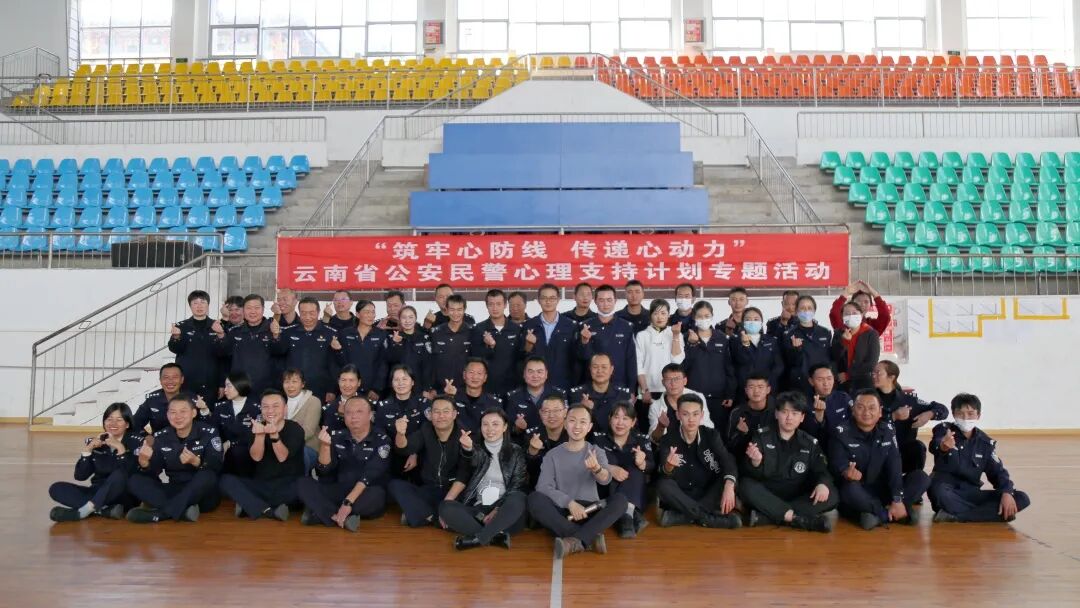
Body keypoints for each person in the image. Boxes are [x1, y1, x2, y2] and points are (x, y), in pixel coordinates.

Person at [528, 404, 628, 557]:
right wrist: (569, 503)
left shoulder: (596, 451)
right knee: (534, 498)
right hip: (563, 511)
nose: (577, 426)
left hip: (590, 510)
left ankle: (575, 540)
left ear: (589, 427)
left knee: (620, 500)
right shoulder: (552, 455)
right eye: (572, 421)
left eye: (583, 422)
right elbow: (543, 486)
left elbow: (606, 480)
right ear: (565, 423)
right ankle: (587, 539)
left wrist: (597, 469)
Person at [829, 389, 929, 530]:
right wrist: (846, 472)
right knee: (849, 490)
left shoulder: (887, 430)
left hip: (882, 487)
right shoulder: (840, 432)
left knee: (921, 478)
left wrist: (897, 499)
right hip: (859, 490)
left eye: (872, 408)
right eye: (860, 407)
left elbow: (895, 465)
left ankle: (880, 514)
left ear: (880, 412)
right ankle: (890, 514)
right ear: (853, 410)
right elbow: (836, 464)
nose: (866, 412)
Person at [739, 392, 838, 532]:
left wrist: (822, 484)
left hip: (796, 495)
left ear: (802, 418)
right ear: (776, 414)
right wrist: (756, 462)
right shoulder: (762, 436)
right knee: (745, 486)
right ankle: (796, 518)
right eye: (784, 412)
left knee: (832, 494)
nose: (789, 417)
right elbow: (749, 472)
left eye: (795, 413)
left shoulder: (809, 442)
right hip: (768, 492)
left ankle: (769, 517)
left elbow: (821, 469)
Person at [929, 393, 1031, 523]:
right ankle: (985, 514)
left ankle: (957, 516)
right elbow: (935, 445)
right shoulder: (943, 430)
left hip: (971, 493)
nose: (965, 418)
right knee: (939, 492)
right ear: (954, 414)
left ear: (978, 415)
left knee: (1021, 498)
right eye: (960, 414)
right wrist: (943, 446)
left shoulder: (985, 443)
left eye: (970, 414)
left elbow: (998, 472)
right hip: (947, 491)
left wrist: (1007, 492)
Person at [440, 408, 529, 550]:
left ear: (505, 427)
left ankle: (478, 539)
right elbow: (470, 462)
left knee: (519, 497)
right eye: (485, 424)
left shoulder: (516, 451)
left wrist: (498, 509)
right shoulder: (475, 449)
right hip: (479, 511)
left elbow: (517, 485)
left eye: (495, 424)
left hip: (505, 511)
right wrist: (467, 450)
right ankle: (494, 537)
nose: (490, 429)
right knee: (445, 507)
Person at [126, 395, 224, 523]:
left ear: (194, 413)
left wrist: (196, 462)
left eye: (183, 411)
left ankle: (162, 514)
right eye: (173, 412)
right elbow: (155, 471)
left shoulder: (208, 432)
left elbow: (216, 466)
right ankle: (182, 511)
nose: (178, 416)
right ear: (167, 415)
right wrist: (144, 462)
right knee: (135, 480)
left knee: (207, 476)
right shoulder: (161, 436)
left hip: (201, 493)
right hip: (174, 489)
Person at [297, 397, 389, 531]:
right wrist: (325, 446)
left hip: (364, 491)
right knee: (302, 483)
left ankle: (324, 514)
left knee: (377, 496)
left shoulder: (382, 439)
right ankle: (339, 517)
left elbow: (370, 475)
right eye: (349, 412)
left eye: (359, 412)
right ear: (343, 416)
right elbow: (324, 470)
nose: (353, 416)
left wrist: (348, 502)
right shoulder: (336, 436)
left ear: (370, 415)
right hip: (340, 488)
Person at [655, 394, 740, 528]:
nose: (691, 419)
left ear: (702, 415)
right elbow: (664, 472)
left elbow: (727, 460)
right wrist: (669, 466)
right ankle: (709, 519)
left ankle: (683, 517)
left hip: (708, 492)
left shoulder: (711, 435)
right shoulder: (668, 439)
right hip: (682, 495)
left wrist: (729, 485)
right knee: (662, 485)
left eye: (695, 414)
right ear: (678, 415)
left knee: (728, 479)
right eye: (686, 414)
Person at [219, 389, 305, 521]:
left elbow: (282, 457)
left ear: (285, 409)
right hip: (262, 485)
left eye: (275, 406)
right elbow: (256, 457)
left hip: (287, 485)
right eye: (265, 407)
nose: (270, 411)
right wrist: (259, 436)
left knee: (304, 486)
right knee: (225, 480)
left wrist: (274, 436)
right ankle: (268, 510)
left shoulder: (295, 428)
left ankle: (250, 505)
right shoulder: (256, 427)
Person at [48, 403, 144, 522]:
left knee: (120, 474)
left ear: (127, 424)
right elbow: (80, 476)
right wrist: (88, 450)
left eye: (119, 420)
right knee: (56, 488)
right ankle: (104, 510)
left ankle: (83, 512)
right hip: (97, 492)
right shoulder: (98, 442)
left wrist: (120, 448)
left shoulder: (137, 442)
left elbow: (130, 473)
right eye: (109, 419)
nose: (113, 423)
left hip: (124, 495)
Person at [389, 396, 464, 527]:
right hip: (430, 489)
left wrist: (448, 502)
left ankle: (421, 515)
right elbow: (404, 448)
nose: (441, 416)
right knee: (395, 485)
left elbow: (465, 474)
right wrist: (400, 434)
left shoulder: (464, 434)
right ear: (430, 414)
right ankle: (434, 517)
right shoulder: (426, 429)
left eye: (446, 411)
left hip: (454, 491)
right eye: (436, 411)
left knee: (461, 506)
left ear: (454, 414)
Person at [873, 360, 948, 474]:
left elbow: (943, 410)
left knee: (918, 447)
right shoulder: (869, 399)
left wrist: (929, 414)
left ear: (891, 377)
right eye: (873, 373)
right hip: (876, 450)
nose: (874, 375)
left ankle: (912, 479)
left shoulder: (908, 400)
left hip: (902, 451)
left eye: (878, 373)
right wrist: (893, 416)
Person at [592, 402, 654, 538]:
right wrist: (609, 468)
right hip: (606, 488)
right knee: (615, 464)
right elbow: (591, 463)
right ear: (610, 419)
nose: (620, 422)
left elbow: (652, 467)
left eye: (625, 418)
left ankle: (626, 515)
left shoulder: (641, 440)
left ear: (633, 422)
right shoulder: (599, 438)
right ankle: (631, 514)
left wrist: (642, 463)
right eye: (616, 417)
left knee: (636, 469)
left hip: (633, 491)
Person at [272, 297, 345, 402]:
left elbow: (334, 365)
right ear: (299, 312)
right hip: (293, 389)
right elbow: (277, 353)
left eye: (312, 313)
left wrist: (332, 389)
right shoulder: (288, 332)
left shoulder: (330, 333)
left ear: (318, 312)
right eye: (303, 313)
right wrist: (276, 336)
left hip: (321, 390)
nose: (307, 317)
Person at [683, 301, 737, 432]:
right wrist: (692, 345)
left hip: (719, 398)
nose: (703, 319)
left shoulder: (722, 338)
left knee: (718, 433)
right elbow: (683, 367)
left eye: (707, 316)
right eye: (700, 316)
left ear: (712, 316)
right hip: (694, 396)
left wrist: (730, 394)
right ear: (694, 317)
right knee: (696, 432)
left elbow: (729, 368)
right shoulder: (685, 337)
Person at [214, 293, 277, 395]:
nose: (253, 311)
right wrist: (221, 335)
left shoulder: (272, 329)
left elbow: (281, 350)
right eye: (249, 308)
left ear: (263, 309)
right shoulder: (234, 332)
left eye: (257, 308)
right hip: (239, 389)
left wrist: (276, 335)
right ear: (244, 310)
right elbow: (222, 353)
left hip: (266, 390)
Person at [375, 365, 430, 478]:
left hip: (419, 456)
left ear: (412, 382)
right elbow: (380, 433)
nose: (400, 383)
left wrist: (414, 453)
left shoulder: (423, 403)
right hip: (392, 456)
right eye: (396, 380)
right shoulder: (383, 406)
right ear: (391, 383)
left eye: (404, 379)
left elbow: (426, 432)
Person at [578, 284, 637, 390]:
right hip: (592, 386)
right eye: (601, 300)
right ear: (595, 301)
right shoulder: (585, 326)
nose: (605, 304)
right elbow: (582, 358)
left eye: (609, 300)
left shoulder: (626, 327)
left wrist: (631, 389)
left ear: (615, 301)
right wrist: (584, 341)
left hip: (619, 385)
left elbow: (631, 360)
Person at [521, 284, 580, 391]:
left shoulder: (570, 326)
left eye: (552, 298)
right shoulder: (529, 325)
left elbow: (575, 357)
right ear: (539, 300)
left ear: (558, 300)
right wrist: (528, 345)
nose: (548, 302)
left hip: (562, 383)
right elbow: (522, 356)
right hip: (535, 384)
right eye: (544, 298)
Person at [168, 290, 222, 406]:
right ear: (190, 306)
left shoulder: (217, 326)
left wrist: (222, 383)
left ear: (208, 305)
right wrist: (176, 337)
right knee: (186, 411)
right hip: (187, 381)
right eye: (195, 303)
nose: (199, 306)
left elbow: (224, 354)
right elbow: (175, 349)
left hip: (211, 382)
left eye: (202, 302)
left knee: (209, 413)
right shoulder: (181, 326)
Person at [469, 289, 523, 397]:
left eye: (498, 304)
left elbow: (521, 358)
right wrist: (490, 347)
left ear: (505, 305)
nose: (495, 308)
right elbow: (475, 358)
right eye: (491, 304)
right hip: (486, 389)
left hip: (512, 388)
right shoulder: (478, 329)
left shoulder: (516, 329)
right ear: (486, 306)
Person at [206, 372, 261, 476]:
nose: (225, 390)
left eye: (229, 386)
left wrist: (231, 443)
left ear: (239, 385)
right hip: (224, 452)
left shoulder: (256, 408)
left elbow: (254, 436)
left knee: (238, 452)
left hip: (248, 454)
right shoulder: (220, 407)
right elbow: (213, 431)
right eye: (225, 386)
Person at [635, 299, 684, 407]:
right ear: (650, 315)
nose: (659, 317)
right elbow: (638, 365)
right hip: (648, 390)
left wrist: (675, 335)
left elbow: (677, 361)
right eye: (655, 313)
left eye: (663, 313)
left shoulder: (676, 333)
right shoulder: (642, 335)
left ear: (668, 315)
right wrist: (644, 389)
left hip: (671, 389)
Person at [781, 295, 833, 398]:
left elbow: (829, 357)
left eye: (809, 308)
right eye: (802, 308)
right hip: (801, 383)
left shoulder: (825, 332)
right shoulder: (789, 334)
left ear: (814, 311)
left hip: (821, 383)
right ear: (796, 311)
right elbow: (789, 362)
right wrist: (796, 350)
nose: (806, 311)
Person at [569, 353, 633, 435]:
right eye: (595, 367)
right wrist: (582, 408)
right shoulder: (577, 394)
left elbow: (630, 426)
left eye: (604, 367)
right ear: (590, 369)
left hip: (614, 439)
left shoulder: (623, 395)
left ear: (611, 369)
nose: (599, 371)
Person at [338, 299, 389, 401]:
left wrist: (377, 388)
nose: (371, 315)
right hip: (349, 388)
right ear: (357, 314)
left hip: (372, 391)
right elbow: (340, 362)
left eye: (373, 312)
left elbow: (383, 364)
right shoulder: (345, 334)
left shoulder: (381, 335)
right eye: (367, 312)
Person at [648, 363, 712, 442]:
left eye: (677, 379)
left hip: (697, 445)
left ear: (685, 381)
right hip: (669, 447)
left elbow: (708, 426)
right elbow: (654, 439)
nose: (673, 383)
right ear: (663, 382)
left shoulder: (698, 397)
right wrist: (660, 427)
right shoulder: (655, 406)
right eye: (668, 379)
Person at [504, 356, 565, 438]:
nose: (535, 376)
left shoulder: (559, 394)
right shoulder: (513, 397)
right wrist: (517, 427)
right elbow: (507, 429)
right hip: (521, 442)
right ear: (524, 374)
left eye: (539, 372)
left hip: (552, 442)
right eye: (531, 372)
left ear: (546, 374)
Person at [731, 306, 785, 395]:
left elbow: (779, 365)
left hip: (768, 388)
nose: (752, 322)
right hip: (745, 389)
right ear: (743, 323)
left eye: (756, 319)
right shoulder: (735, 341)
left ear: (761, 322)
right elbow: (739, 361)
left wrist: (767, 381)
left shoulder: (771, 340)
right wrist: (745, 344)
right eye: (748, 319)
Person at [831, 301, 880, 394]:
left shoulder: (871, 334)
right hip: (841, 382)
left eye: (854, 313)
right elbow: (834, 356)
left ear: (861, 315)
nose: (851, 316)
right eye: (847, 313)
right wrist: (844, 342)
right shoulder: (838, 333)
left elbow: (872, 362)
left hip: (864, 382)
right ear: (842, 317)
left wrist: (848, 375)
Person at [429, 294, 474, 392]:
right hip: (440, 388)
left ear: (464, 310)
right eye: (452, 309)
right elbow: (431, 362)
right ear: (446, 310)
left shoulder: (472, 332)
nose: (455, 313)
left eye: (459, 309)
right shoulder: (436, 332)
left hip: (465, 388)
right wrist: (431, 387)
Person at [445, 358, 504, 433]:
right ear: (464, 375)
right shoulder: (453, 396)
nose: (475, 377)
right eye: (471, 372)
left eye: (479, 373)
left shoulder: (494, 403)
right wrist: (448, 397)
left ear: (485, 377)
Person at [799, 364, 852, 446]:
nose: (826, 383)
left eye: (829, 378)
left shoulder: (843, 398)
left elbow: (854, 423)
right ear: (811, 381)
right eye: (820, 380)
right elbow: (806, 434)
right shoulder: (803, 403)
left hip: (843, 444)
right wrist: (818, 420)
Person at [523, 394, 570, 486]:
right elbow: (529, 472)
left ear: (565, 412)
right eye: (546, 411)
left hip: (568, 487)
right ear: (540, 413)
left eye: (556, 410)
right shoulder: (531, 435)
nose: (551, 415)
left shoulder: (573, 435)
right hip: (540, 487)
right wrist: (533, 452)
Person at [385, 305, 432, 397]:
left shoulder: (424, 338)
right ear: (399, 319)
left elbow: (428, 366)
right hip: (399, 387)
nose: (407, 321)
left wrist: (427, 388)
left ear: (415, 318)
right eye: (404, 317)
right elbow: (389, 361)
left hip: (419, 387)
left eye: (411, 317)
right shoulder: (393, 337)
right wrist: (396, 343)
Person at [281, 368, 322, 471]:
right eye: (287, 382)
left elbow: (308, 431)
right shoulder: (279, 401)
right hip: (281, 444)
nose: (290, 386)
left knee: (296, 458)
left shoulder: (313, 401)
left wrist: (283, 441)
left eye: (294, 382)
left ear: (303, 384)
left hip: (308, 447)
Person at [726, 373, 775, 455]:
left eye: (760, 387)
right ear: (746, 390)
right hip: (745, 457)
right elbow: (729, 446)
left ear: (768, 390)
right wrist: (740, 433)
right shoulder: (737, 412)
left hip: (772, 456)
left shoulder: (778, 410)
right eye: (751, 387)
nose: (756, 391)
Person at [132, 363, 186, 433]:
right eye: (166, 377)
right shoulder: (152, 400)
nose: (170, 381)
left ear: (182, 379)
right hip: (159, 439)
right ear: (160, 380)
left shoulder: (191, 399)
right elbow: (135, 423)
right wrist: (145, 436)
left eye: (175, 377)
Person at [321, 365, 363, 431]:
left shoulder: (368, 404)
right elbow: (330, 434)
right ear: (338, 381)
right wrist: (340, 416)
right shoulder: (329, 408)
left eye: (351, 380)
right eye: (343, 380)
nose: (347, 385)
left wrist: (344, 415)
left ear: (359, 382)